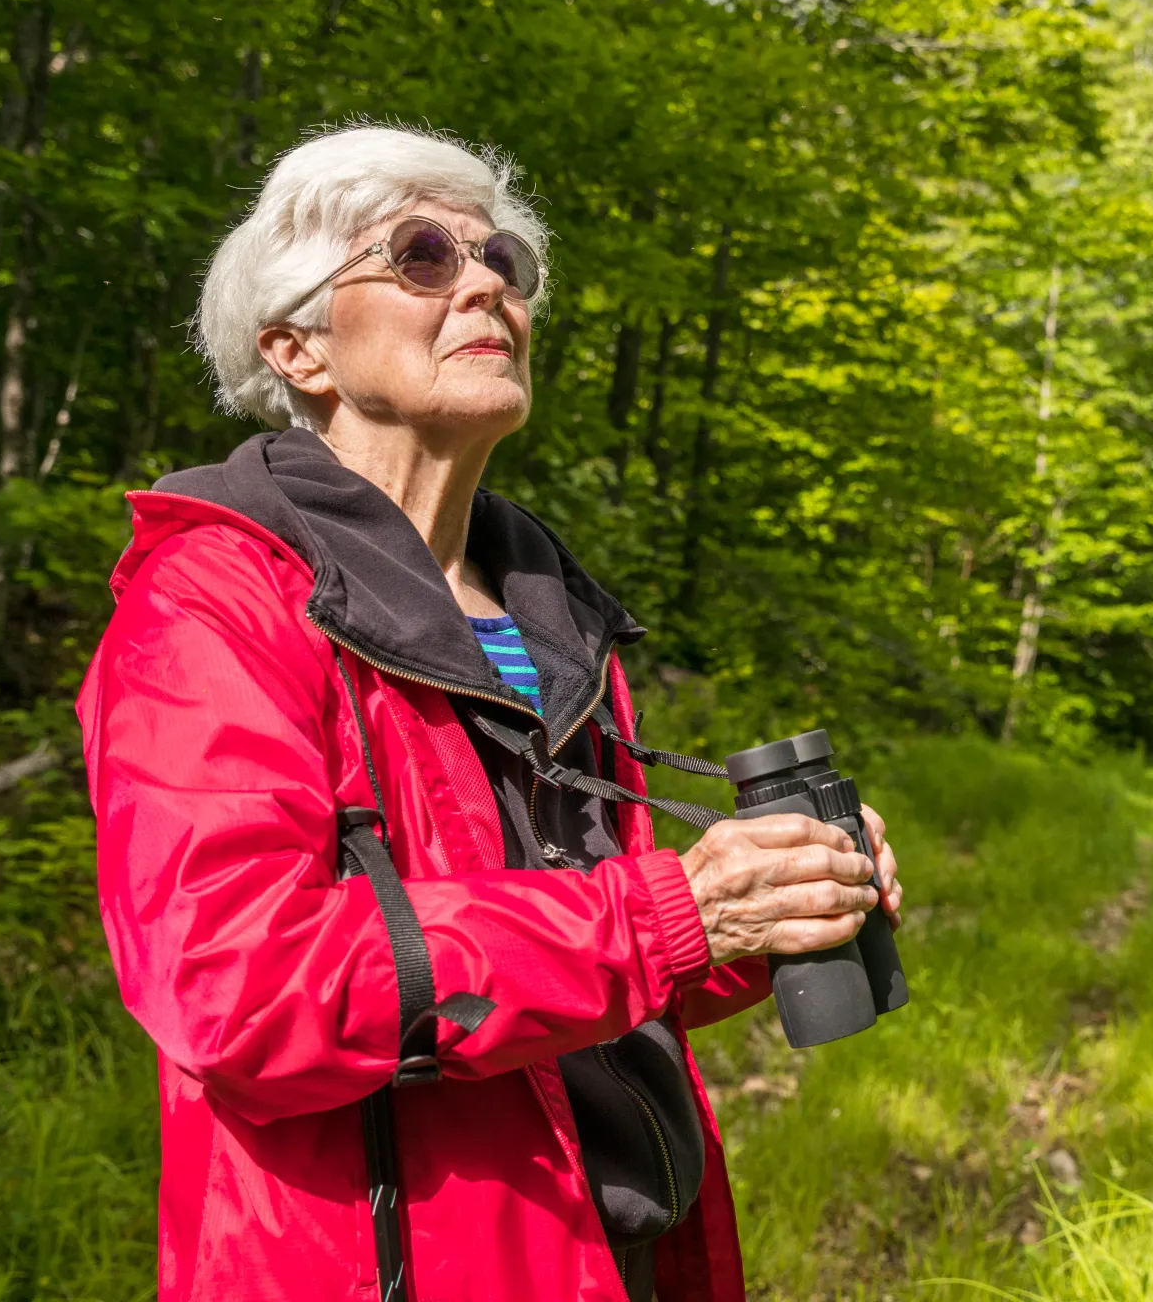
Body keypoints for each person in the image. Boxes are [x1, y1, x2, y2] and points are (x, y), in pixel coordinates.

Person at [77, 123, 903, 1302]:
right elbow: (240, 989)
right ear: (297, 348)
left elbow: (586, 963)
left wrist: (765, 916)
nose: (484, 284)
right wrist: (672, 915)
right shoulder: (212, 601)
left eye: (502, 261)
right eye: (420, 255)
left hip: (612, 1247)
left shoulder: (546, 612)